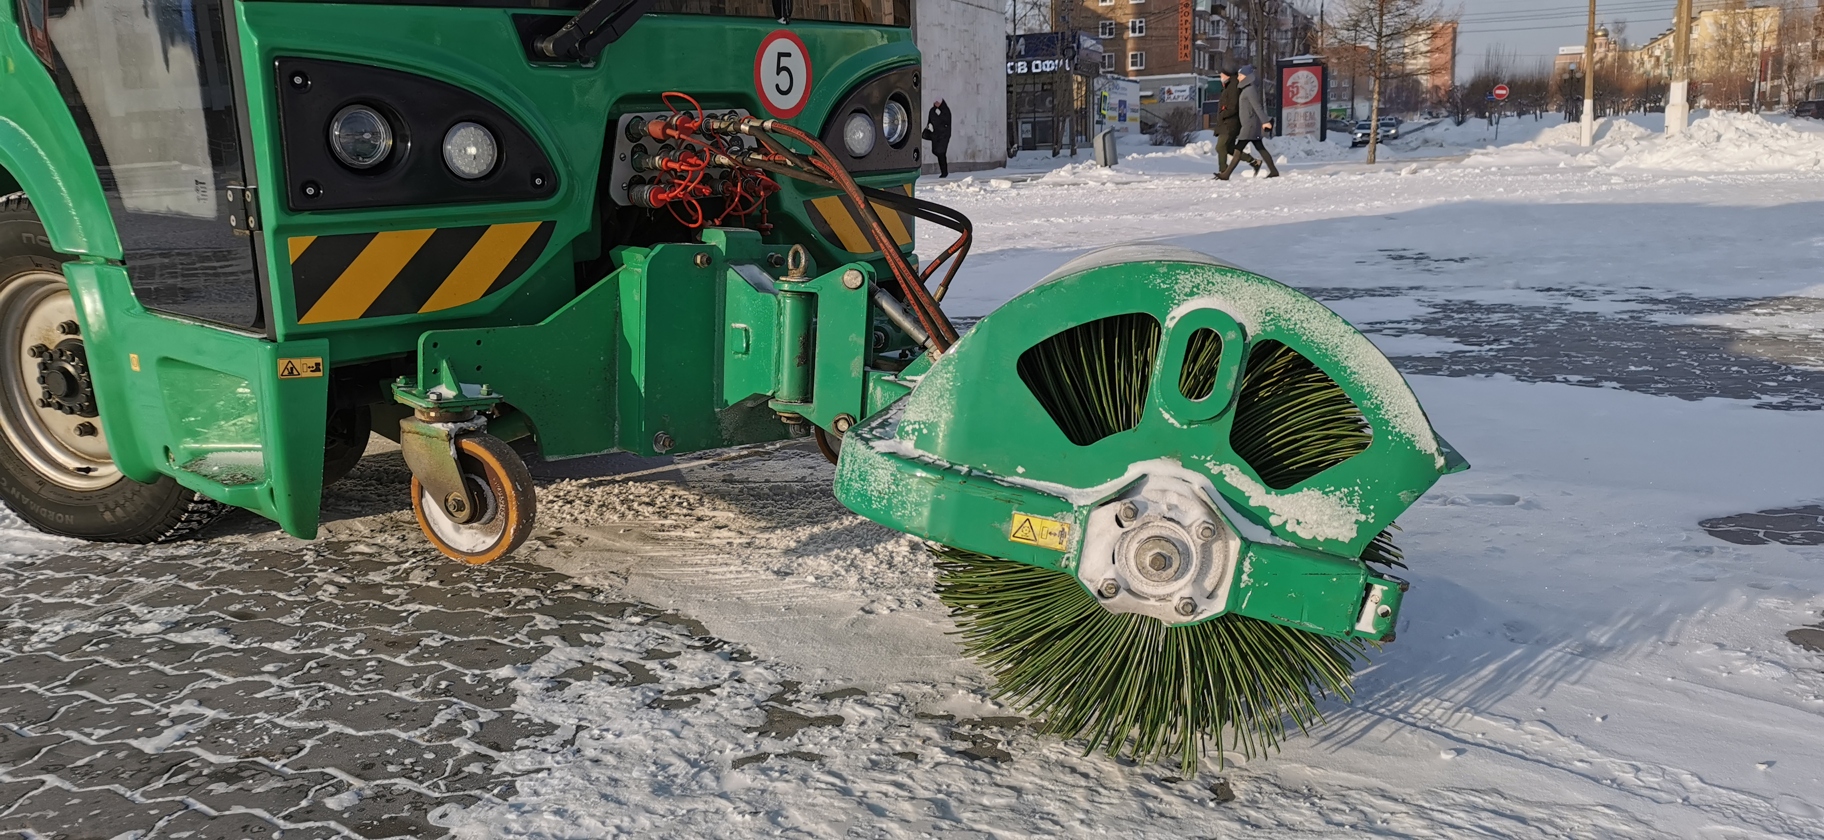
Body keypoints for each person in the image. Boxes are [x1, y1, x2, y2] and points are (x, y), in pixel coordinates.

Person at [1217, 65, 1281, 180]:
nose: (1238, 78)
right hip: (1250, 125)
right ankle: (1273, 171)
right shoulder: (1247, 89)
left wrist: (1265, 121)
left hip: (1249, 126)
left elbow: (1257, 107)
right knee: (1260, 148)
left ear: (1247, 76)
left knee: (1238, 150)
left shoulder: (1250, 90)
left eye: (1241, 75)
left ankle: (1226, 174)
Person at [1211, 65, 1258, 179]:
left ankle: (1223, 171)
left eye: (1221, 75)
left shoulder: (1232, 87)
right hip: (1228, 123)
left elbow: (1233, 106)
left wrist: (1223, 114)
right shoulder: (1229, 86)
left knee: (1220, 147)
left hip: (1230, 123)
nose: (1220, 77)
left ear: (1227, 75)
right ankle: (1253, 162)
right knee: (1230, 148)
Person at [923, 98, 952, 178]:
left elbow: (947, 123)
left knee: (941, 153)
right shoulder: (932, 111)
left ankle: (944, 172)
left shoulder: (945, 111)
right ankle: (944, 172)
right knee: (936, 152)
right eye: (935, 102)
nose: (936, 103)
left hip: (944, 136)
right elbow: (930, 121)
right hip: (935, 135)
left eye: (938, 102)